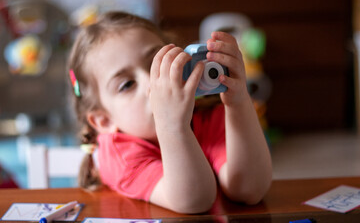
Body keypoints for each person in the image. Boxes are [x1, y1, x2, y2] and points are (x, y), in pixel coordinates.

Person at [67, 11, 272, 214]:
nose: (152, 83)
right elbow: (195, 201)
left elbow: (249, 191)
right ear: (104, 121)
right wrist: (172, 126)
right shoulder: (119, 154)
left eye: (157, 64)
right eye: (127, 84)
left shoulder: (209, 117)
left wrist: (238, 102)